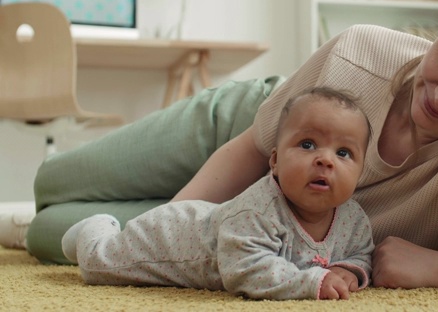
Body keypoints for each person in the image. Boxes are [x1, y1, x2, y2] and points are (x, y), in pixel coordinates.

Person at [14, 0, 438, 293]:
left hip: (270, 224)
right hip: (247, 135)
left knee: (54, 227)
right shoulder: (362, 49)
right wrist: (174, 234)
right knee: (58, 179)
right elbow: (252, 150)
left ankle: (19, 224)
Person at [60, 87, 374, 300]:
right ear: (275, 161)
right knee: (96, 264)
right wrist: (313, 282)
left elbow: (361, 253)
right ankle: (97, 225)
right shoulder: (259, 209)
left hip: (200, 218)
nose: (325, 159)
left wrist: (347, 269)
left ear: (360, 173)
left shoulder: (353, 219)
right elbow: (245, 270)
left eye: (344, 152)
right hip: (165, 237)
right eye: (307, 144)